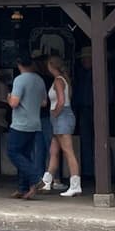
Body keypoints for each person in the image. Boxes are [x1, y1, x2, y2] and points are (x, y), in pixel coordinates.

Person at [6, 55, 46, 199]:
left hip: (20, 123)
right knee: (25, 155)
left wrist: (9, 97)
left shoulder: (19, 80)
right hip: (35, 123)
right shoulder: (39, 80)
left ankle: (36, 178)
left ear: (19, 64)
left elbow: (14, 103)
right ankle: (23, 188)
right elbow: (44, 103)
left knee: (13, 152)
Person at [42, 55, 82, 197]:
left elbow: (61, 101)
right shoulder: (62, 80)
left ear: (51, 65)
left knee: (68, 151)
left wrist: (54, 112)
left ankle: (75, 184)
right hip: (60, 117)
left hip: (61, 116)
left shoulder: (59, 81)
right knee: (54, 150)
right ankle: (46, 181)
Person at [72, 47, 113, 184]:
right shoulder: (81, 75)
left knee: (102, 141)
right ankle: (89, 173)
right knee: (86, 142)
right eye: (83, 59)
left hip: (99, 110)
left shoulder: (103, 74)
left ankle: (107, 173)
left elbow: (109, 93)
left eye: (87, 58)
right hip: (84, 110)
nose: (84, 61)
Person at [32, 53, 59, 191]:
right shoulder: (44, 79)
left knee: (49, 148)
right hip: (41, 116)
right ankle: (44, 179)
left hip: (46, 116)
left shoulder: (50, 79)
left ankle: (51, 178)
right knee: (42, 149)